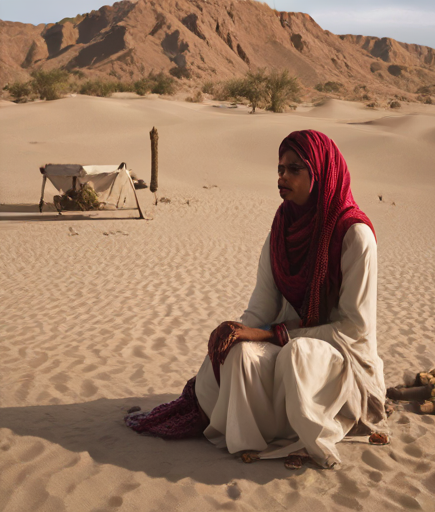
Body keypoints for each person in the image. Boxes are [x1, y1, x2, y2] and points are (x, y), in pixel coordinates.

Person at [126, 130, 389, 469]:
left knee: (297, 355)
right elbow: (261, 309)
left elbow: (354, 330)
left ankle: (308, 431)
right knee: (238, 355)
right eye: (280, 168)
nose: (282, 177)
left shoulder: (355, 236)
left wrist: (273, 334)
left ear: (320, 172)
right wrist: (232, 336)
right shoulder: (280, 231)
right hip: (286, 344)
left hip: (341, 359)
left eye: (295, 168)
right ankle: (251, 437)